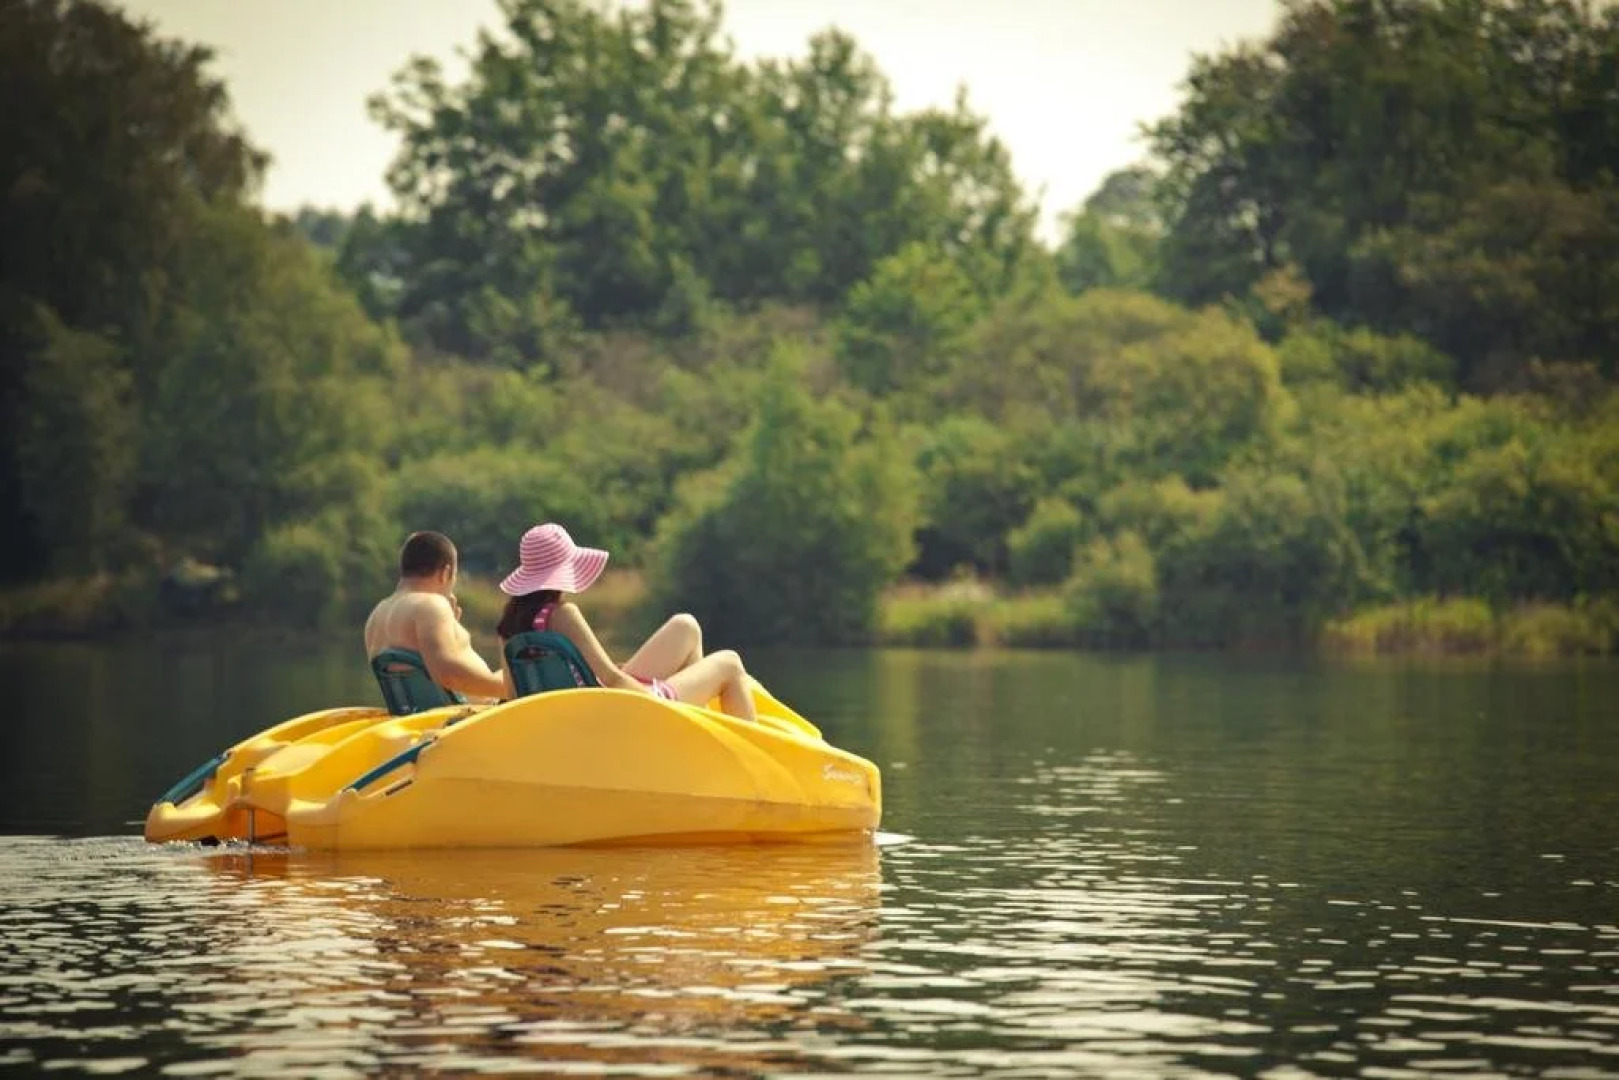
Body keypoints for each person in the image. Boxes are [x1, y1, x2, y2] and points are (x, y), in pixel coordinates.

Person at [494, 522, 757, 722]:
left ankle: (692, 734)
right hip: (612, 715)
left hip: (582, 712)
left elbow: (515, 695)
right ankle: (744, 754)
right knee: (730, 663)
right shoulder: (563, 614)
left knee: (685, 626)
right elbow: (611, 679)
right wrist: (661, 706)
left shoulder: (510, 626)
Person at [364, 531, 507, 702]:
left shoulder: (378, 613)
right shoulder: (431, 605)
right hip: (467, 718)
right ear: (445, 573)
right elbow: (449, 676)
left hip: (418, 716)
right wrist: (506, 686)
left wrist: (450, 629)